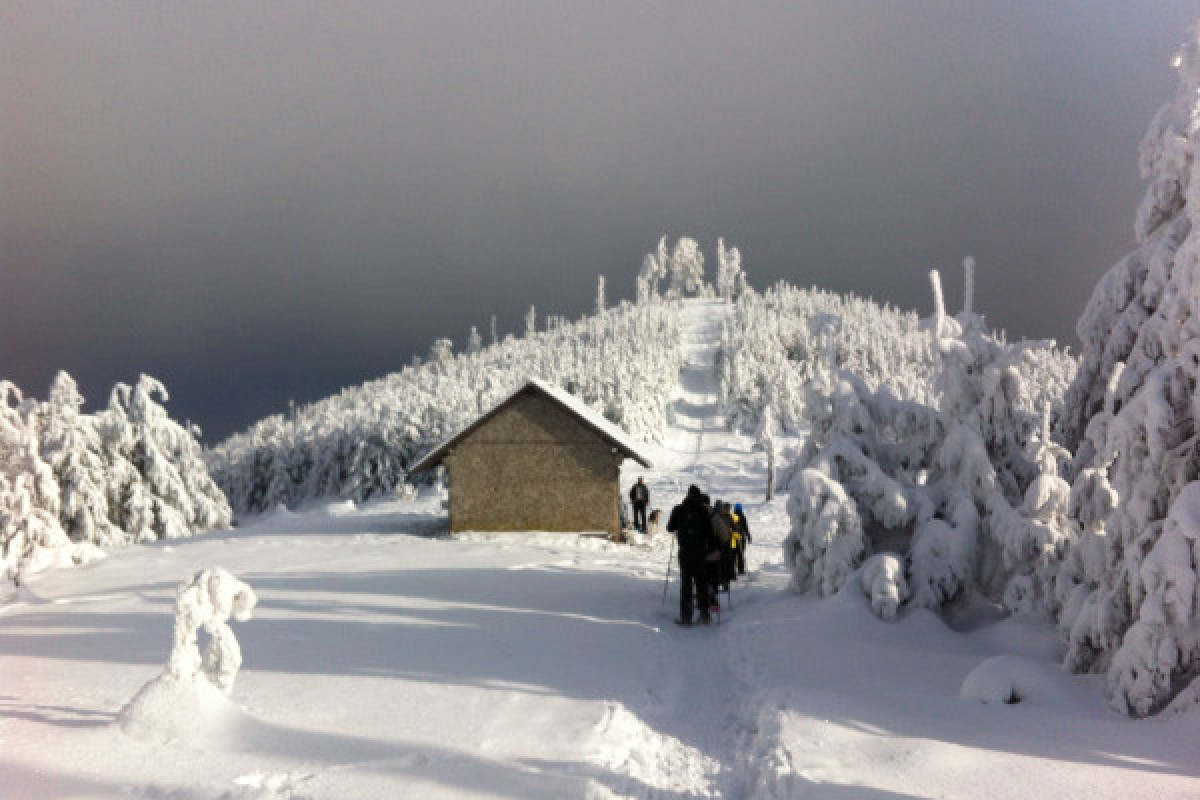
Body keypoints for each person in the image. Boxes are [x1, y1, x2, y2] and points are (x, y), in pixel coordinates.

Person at [667, 485, 715, 625]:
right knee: (701, 583)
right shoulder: (703, 510)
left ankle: (686, 618)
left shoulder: (679, 509)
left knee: (686, 585)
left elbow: (670, 527)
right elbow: (709, 533)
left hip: (685, 552)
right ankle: (705, 616)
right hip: (699, 552)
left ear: (687, 495)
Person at [710, 501, 736, 594]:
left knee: (716, 564)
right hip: (726, 543)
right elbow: (735, 527)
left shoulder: (713, 516)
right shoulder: (727, 516)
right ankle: (725, 583)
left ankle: (716, 583)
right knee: (726, 563)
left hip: (715, 544)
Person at [732, 503, 751, 576]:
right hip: (741, 537)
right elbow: (746, 527)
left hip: (733, 537)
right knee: (741, 553)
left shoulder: (732, 516)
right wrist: (748, 536)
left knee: (734, 554)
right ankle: (741, 569)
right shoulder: (742, 516)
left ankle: (733, 568)